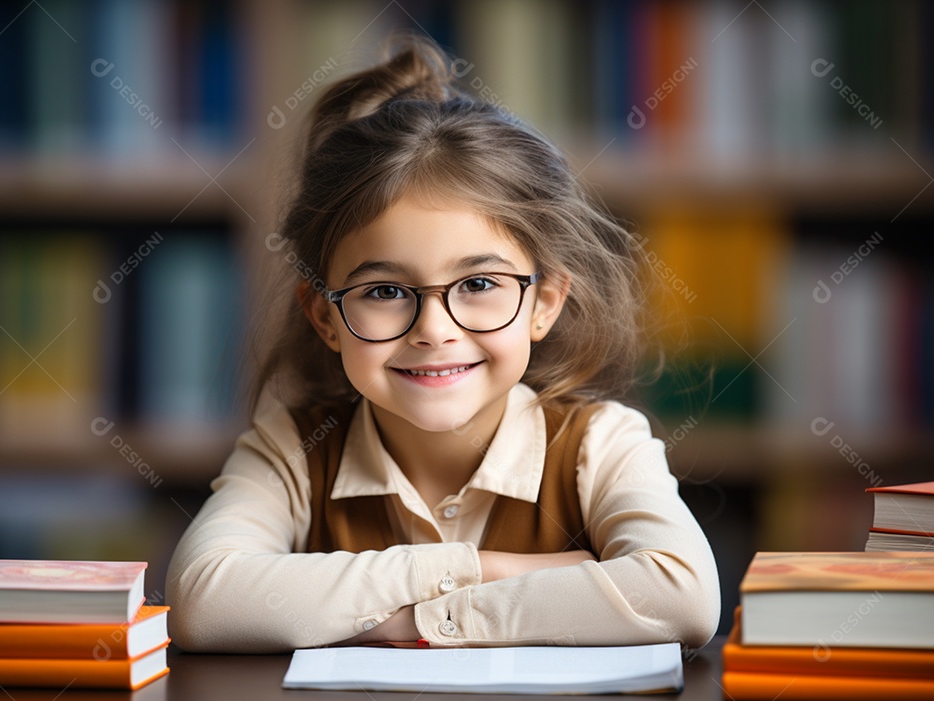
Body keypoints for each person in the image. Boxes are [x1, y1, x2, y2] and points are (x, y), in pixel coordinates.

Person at [166, 34, 719, 653]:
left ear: (544, 302)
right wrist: (475, 570)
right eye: (383, 292)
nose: (434, 329)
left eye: (479, 283)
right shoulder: (292, 448)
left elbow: (682, 598)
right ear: (324, 316)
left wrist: (413, 622)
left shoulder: (600, 443)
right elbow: (202, 600)